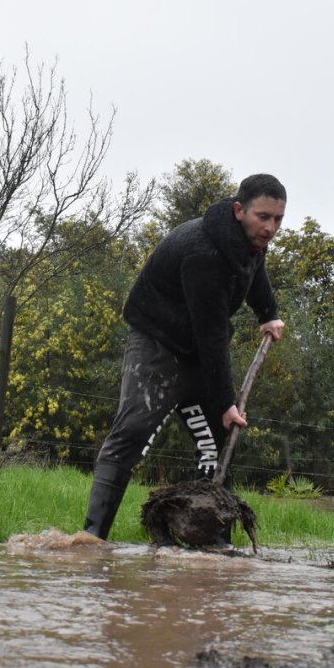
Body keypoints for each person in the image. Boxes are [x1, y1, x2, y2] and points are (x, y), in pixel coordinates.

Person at [82, 173, 287, 541]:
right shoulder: (203, 252)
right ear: (239, 210)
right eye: (264, 218)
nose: (271, 228)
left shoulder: (251, 240)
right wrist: (226, 402)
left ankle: (211, 544)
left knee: (219, 441)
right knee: (131, 433)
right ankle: (93, 538)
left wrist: (268, 312)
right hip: (157, 343)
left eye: (278, 219)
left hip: (198, 348)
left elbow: (254, 272)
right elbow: (212, 337)